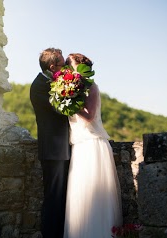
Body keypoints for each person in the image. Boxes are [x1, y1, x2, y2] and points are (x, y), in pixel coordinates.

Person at [63, 53, 123, 238]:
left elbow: (89, 116)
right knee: (80, 197)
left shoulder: (91, 87)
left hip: (92, 145)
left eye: (69, 63)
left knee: (95, 196)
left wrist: (69, 101)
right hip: (79, 146)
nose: (66, 66)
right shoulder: (69, 87)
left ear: (80, 67)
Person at [30, 48, 71, 238]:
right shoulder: (39, 86)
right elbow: (60, 109)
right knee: (53, 199)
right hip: (53, 150)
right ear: (53, 66)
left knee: (63, 199)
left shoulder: (52, 82)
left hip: (64, 148)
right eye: (64, 65)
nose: (66, 69)